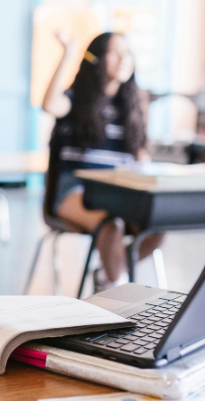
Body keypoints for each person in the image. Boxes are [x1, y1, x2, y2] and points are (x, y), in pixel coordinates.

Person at [42, 31, 162, 289]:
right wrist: (68, 54)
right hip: (75, 191)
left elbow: (142, 158)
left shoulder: (132, 106)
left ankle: (109, 274)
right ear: (96, 59)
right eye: (115, 52)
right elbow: (50, 104)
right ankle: (116, 291)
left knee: (159, 225)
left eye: (127, 52)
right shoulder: (76, 99)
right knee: (112, 225)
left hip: (119, 192)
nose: (124, 58)